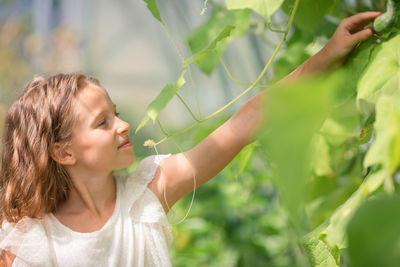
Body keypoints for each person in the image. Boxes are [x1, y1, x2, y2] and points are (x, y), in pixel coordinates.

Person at [0, 11, 381, 267]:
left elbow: (247, 120)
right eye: (102, 123)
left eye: (116, 112)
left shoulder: (148, 192)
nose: (124, 125)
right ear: (63, 152)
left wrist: (327, 55)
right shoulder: (32, 240)